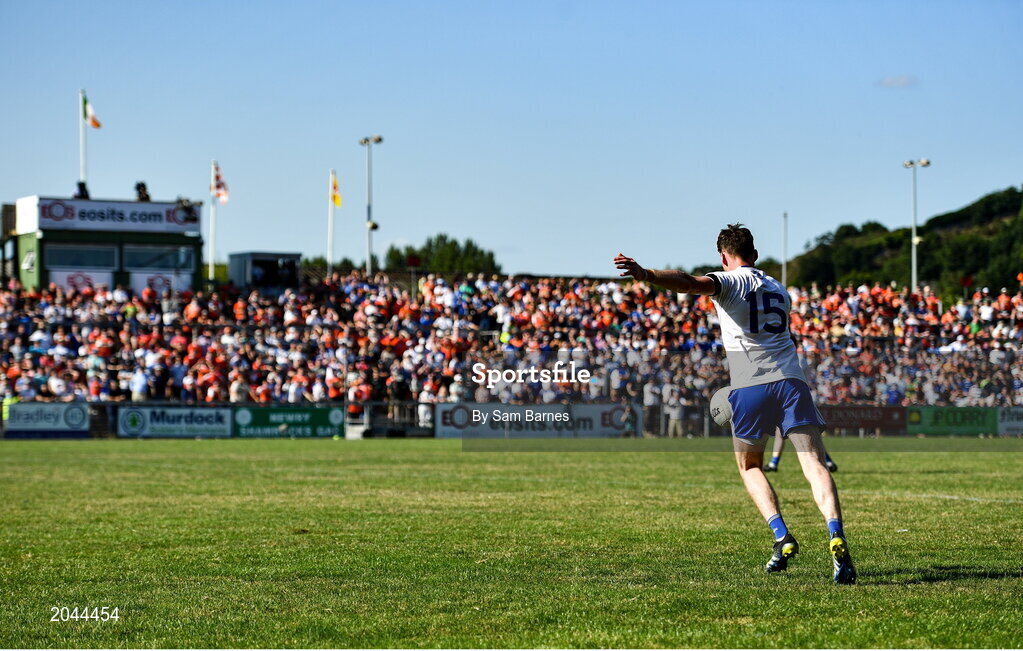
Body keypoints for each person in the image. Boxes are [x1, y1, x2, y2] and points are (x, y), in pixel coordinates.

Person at [614, 224, 856, 584]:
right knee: (815, 464)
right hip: (792, 382)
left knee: (749, 466)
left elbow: (689, 282)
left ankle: (781, 535)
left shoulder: (731, 280)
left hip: (750, 386)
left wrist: (646, 274)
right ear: (755, 254)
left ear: (724, 257)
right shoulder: (778, 288)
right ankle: (835, 534)